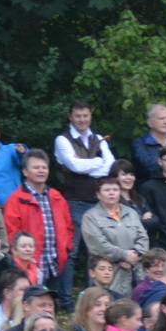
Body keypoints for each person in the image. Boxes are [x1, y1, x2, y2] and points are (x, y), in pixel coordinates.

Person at [3, 149, 75, 309]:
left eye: (44, 167)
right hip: (30, 263)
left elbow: (69, 226)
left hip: (55, 260)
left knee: (50, 306)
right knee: (31, 305)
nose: (41, 171)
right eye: (36, 167)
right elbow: (11, 232)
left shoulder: (56, 196)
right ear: (25, 172)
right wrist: (23, 257)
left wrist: (67, 247)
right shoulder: (16, 200)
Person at [53, 99, 115, 239]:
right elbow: (75, 166)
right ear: (70, 117)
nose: (82, 120)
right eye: (78, 116)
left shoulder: (99, 138)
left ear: (90, 116)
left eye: (85, 116)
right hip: (74, 202)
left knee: (99, 250)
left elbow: (111, 166)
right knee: (71, 250)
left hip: (99, 202)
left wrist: (85, 165)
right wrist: (99, 161)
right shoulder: (62, 140)